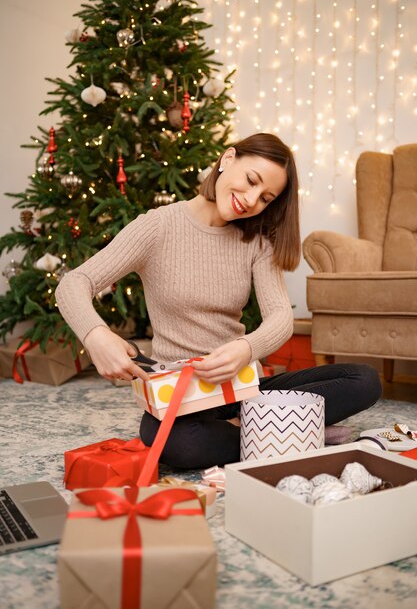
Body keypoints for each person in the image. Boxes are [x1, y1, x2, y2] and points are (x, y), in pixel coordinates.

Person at [56, 132, 382, 469]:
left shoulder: (257, 241)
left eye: (265, 197)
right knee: (176, 443)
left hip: (243, 391)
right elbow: (73, 283)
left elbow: (280, 318)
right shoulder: (157, 227)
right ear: (228, 160)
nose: (252, 199)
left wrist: (245, 348)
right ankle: (288, 436)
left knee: (364, 381)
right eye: (251, 180)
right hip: (182, 397)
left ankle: (263, 432)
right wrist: (97, 335)